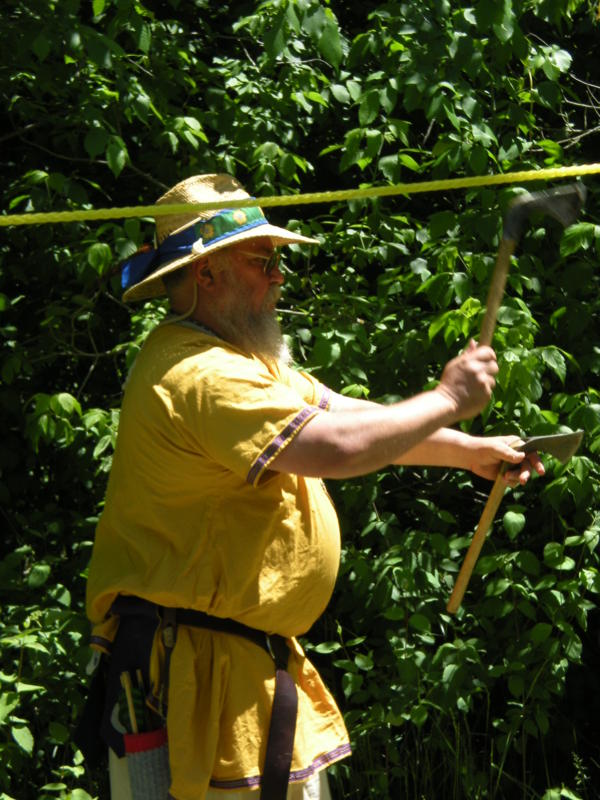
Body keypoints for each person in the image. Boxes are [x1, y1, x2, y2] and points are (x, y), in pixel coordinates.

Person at [82, 173, 544, 800]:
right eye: (262, 259)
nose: (279, 275)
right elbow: (331, 448)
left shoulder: (244, 362)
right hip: (191, 680)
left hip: (238, 670)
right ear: (206, 274)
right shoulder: (198, 373)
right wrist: (445, 399)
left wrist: (469, 453)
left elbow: (344, 416)